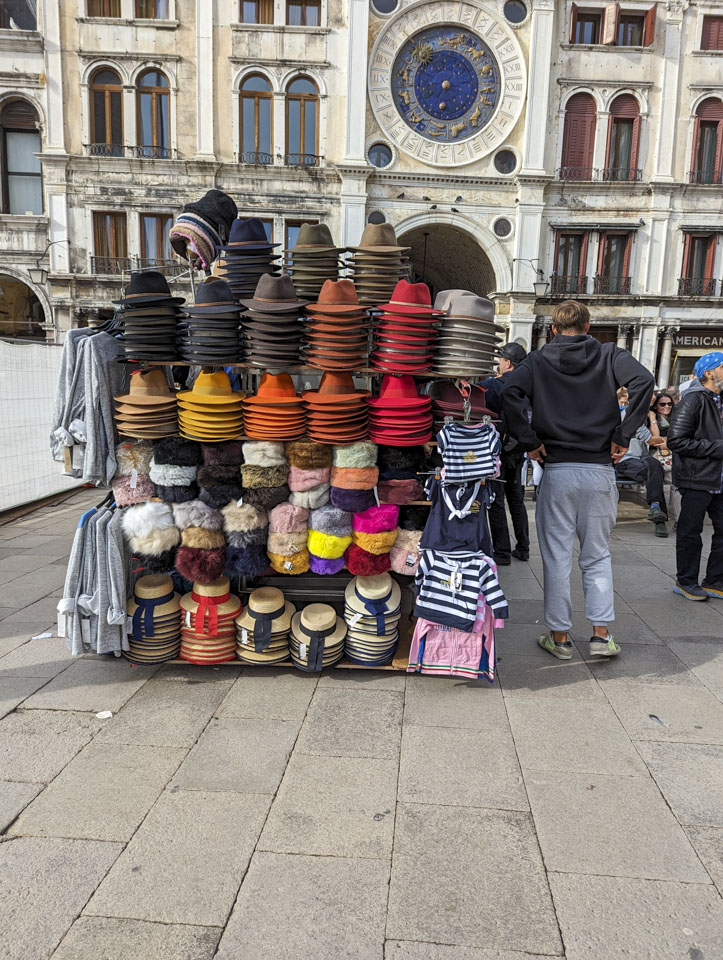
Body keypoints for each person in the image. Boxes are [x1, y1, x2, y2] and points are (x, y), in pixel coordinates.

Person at [501, 300, 654, 660]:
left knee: (556, 557)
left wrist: (530, 440)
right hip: (599, 468)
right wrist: (623, 433)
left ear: (553, 329)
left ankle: (561, 637)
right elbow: (644, 380)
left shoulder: (537, 360)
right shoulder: (608, 354)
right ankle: (601, 635)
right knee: (597, 555)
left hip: (557, 469)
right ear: (588, 327)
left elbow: (509, 392)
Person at [667, 352, 723, 601]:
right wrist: (718, 448)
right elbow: (676, 441)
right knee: (691, 532)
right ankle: (686, 580)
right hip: (696, 477)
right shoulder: (693, 400)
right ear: (710, 373)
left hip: (719, 479)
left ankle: (714, 580)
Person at [479, 343, 530, 564]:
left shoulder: (491, 386)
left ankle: (501, 552)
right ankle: (523, 547)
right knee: (516, 498)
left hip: (498, 450)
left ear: (507, 363)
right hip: (518, 449)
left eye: (500, 359)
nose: (499, 362)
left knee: (496, 500)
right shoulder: (529, 387)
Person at [616, 391, 669, 537]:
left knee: (656, 466)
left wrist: (652, 418)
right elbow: (652, 440)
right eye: (648, 393)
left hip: (642, 457)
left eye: (654, 393)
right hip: (625, 458)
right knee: (655, 475)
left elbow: (654, 437)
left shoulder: (646, 414)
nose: (652, 397)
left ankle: (655, 508)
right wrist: (674, 442)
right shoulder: (629, 415)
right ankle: (658, 516)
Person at [648, 391, 681, 525]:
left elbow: (680, 439)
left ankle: (679, 520)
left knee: (676, 484)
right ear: (656, 406)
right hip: (655, 457)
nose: (667, 406)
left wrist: (667, 442)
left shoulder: (677, 419)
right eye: (662, 404)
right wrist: (653, 418)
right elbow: (653, 439)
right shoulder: (649, 418)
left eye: (669, 404)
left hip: (672, 458)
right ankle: (660, 518)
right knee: (657, 481)